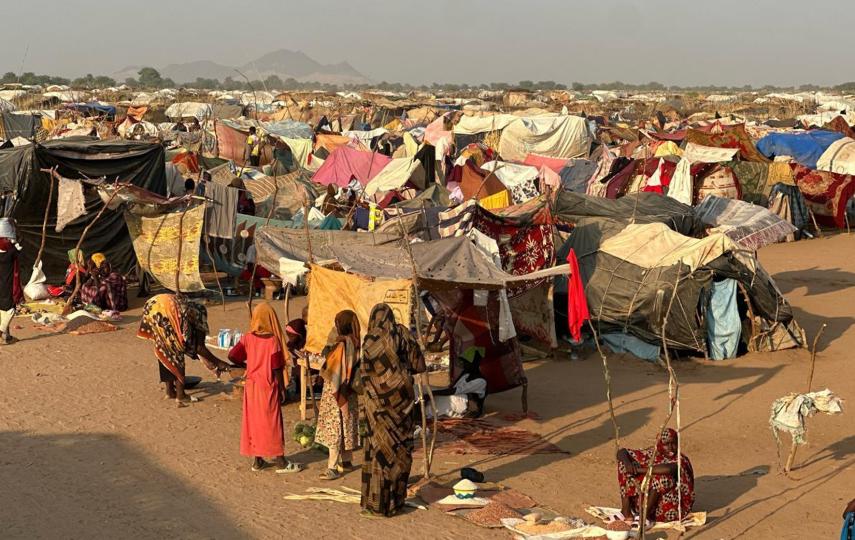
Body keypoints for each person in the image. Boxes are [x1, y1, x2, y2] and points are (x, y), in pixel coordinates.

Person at [353, 303, 426, 517]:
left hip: (376, 406)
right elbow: (419, 365)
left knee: (377, 452)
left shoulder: (370, 340)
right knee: (400, 450)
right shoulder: (402, 334)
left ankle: (376, 504)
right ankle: (396, 502)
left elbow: (364, 373)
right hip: (401, 404)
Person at [229, 303, 304, 473]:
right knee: (272, 423)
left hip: (251, 386)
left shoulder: (247, 338)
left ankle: (258, 460)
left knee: (254, 422)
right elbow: (277, 367)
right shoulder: (272, 341)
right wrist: (282, 389)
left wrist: (248, 365)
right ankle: (280, 461)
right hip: (267, 386)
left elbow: (232, 355)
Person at [137, 293, 232, 406]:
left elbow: (194, 346)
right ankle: (181, 395)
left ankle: (170, 391)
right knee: (176, 350)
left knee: (165, 347)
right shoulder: (197, 315)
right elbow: (199, 347)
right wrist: (219, 363)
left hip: (154, 305)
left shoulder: (186, 311)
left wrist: (211, 362)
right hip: (161, 308)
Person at [615, 428, 695, 525]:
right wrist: (628, 465)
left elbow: (669, 469)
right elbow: (622, 452)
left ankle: (644, 515)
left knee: (662, 478)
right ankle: (626, 512)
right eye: (666, 444)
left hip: (672, 507)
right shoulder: (653, 453)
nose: (671, 447)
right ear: (660, 444)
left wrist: (638, 470)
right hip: (646, 503)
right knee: (624, 465)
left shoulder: (681, 459)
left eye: (673, 443)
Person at [316, 310, 361, 480]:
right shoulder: (355, 342)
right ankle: (347, 461)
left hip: (336, 392)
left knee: (334, 428)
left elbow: (335, 372)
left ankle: (332, 467)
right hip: (349, 391)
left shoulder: (341, 346)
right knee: (345, 426)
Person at [430, 348, 487, 419]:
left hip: (470, 407)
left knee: (441, 400)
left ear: (474, 364)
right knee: (432, 391)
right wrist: (433, 392)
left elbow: (455, 390)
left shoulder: (481, 381)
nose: (464, 365)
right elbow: (453, 387)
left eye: (466, 363)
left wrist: (432, 393)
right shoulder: (466, 375)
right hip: (460, 399)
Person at [0, 218, 22, 345]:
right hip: (8, 286)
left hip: (1, 286)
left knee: (2, 310)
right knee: (10, 310)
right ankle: (1, 332)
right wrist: (14, 227)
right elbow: (19, 243)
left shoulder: (9, 252)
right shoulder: (12, 252)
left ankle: (7, 337)